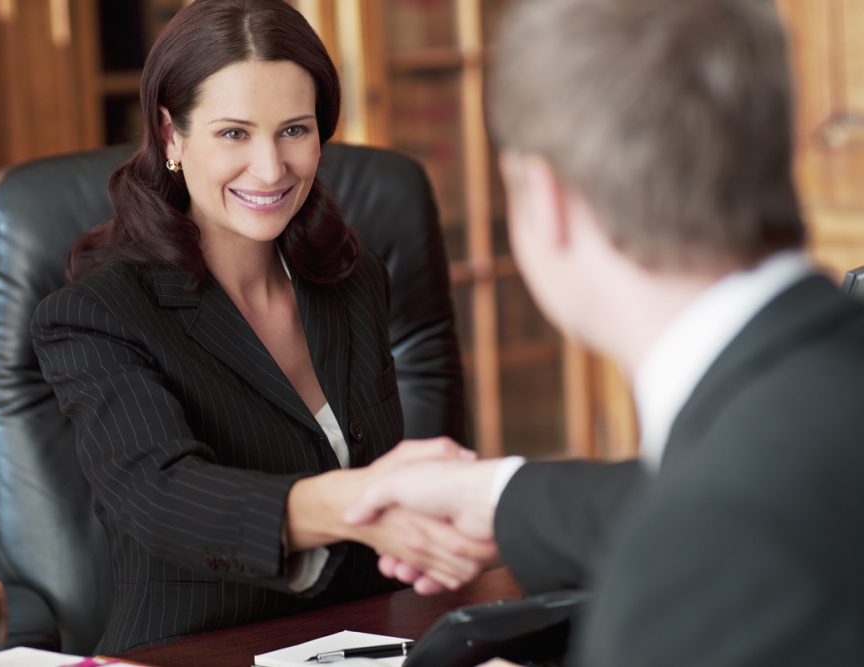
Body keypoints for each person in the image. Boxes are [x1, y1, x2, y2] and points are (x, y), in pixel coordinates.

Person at [346, 0, 864, 664]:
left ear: (548, 199)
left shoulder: (698, 560)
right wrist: (500, 494)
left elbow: (721, 519)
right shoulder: (814, 396)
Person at [30, 0, 493, 653]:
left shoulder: (352, 279)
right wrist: (356, 499)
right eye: (233, 133)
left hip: (369, 640)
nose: (272, 168)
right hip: (195, 649)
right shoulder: (98, 314)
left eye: (294, 130)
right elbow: (163, 496)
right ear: (171, 137)